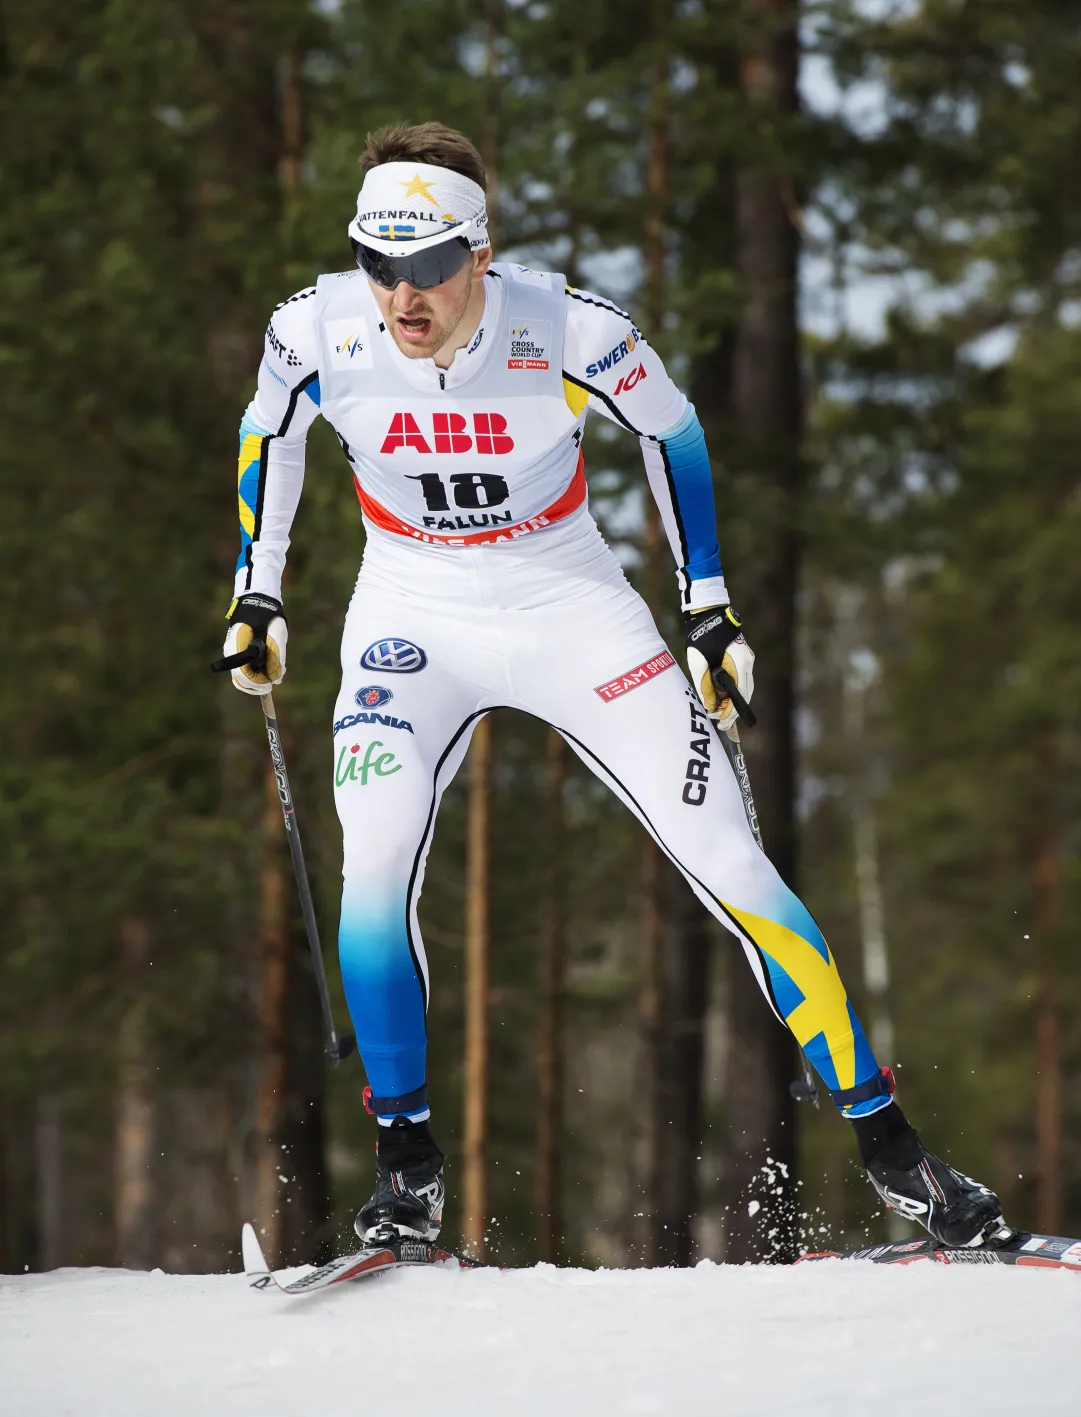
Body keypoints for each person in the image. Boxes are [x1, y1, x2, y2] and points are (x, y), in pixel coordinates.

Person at [222, 121, 1009, 1252]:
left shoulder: (570, 328)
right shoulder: (314, 327)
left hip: (567, 603)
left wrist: (708, 605)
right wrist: (258, 593)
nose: (403, 294)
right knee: (372, 876)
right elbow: (269, 434)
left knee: (730, 860)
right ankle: (406, 1172)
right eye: (378, 264)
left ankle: (896, 1150)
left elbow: (672, 431)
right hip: (412, 616)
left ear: (479, 255)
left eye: (430, 265)